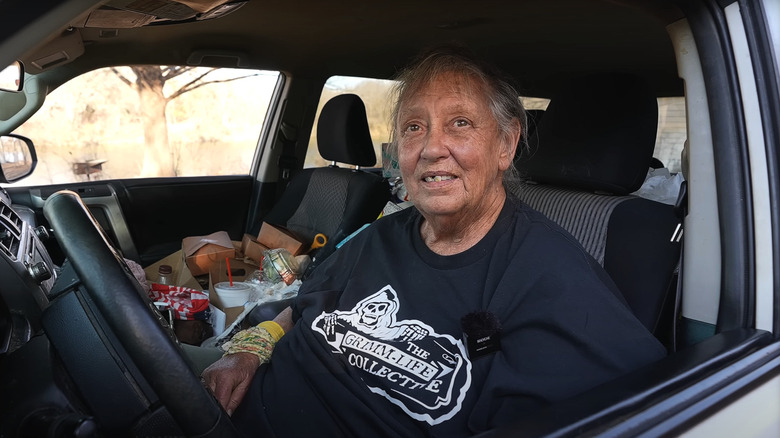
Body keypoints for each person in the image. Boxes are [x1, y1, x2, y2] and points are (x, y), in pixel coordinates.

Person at [202, 46, 666, 436]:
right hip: (234, 406)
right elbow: (305, 304)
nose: (430, 147)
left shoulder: (558, 284)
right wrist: (249, 351)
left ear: (505, 144)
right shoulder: (381, 235)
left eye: (460, 123)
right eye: (413, 127)